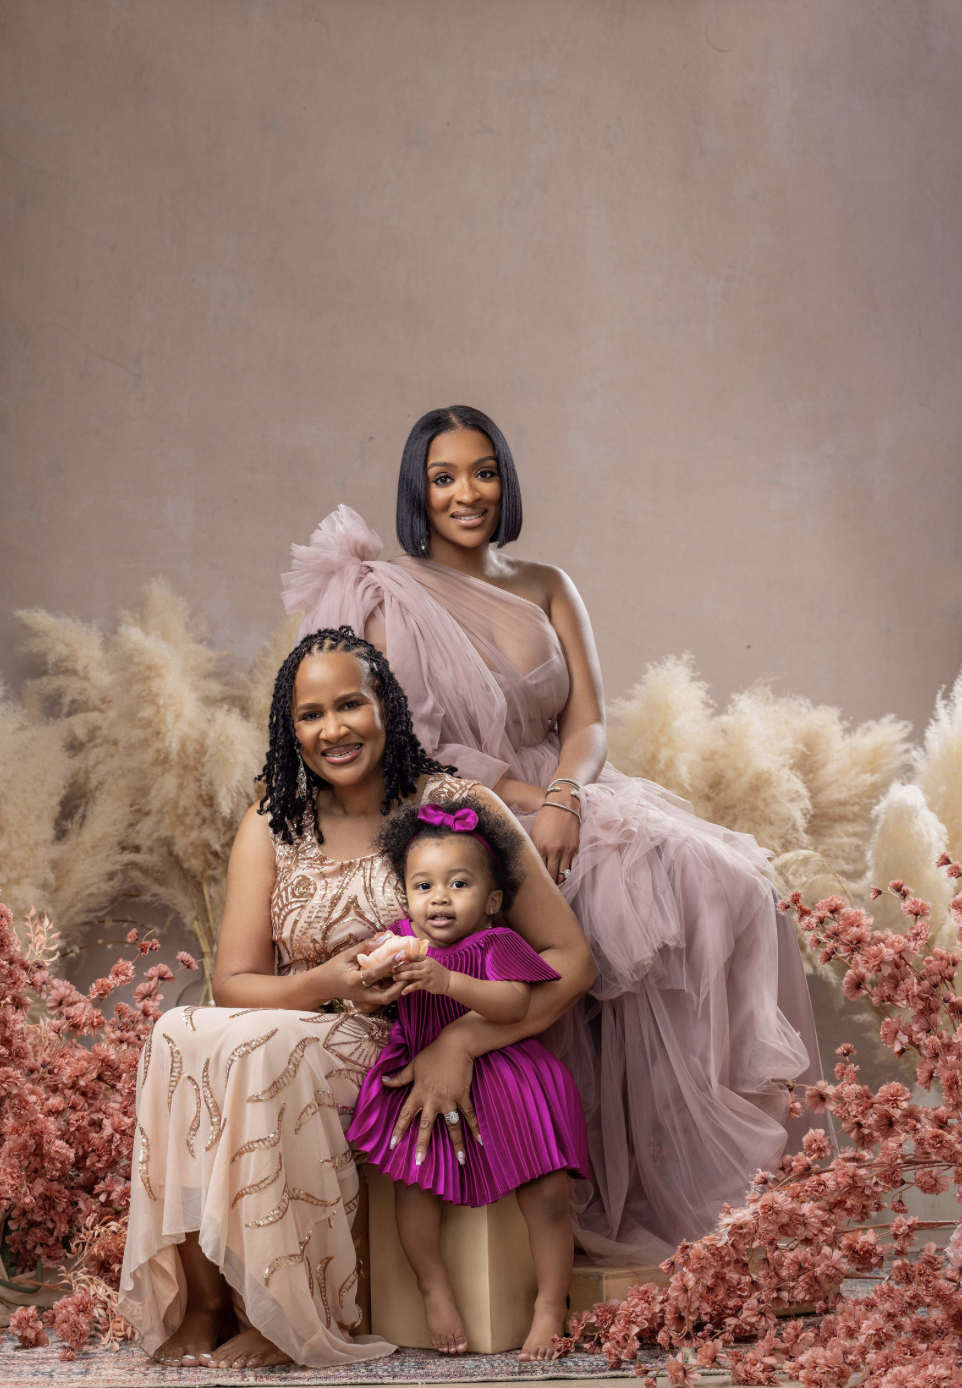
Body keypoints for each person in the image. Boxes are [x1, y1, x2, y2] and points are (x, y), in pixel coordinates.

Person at [282, 406, 824, 1267]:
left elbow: (590, 720)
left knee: (727, 885)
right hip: (467, 799)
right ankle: (601, 1187)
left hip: (573, 787)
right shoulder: (392, 597)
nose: (469, 492)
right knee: (616, 908)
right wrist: (526, 809)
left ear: (507, 480)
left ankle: (705, 1173)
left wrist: (569, 795)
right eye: (446, 476)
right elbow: (411, 743)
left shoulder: (546, 582)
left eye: (485, 471)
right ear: (419, 490)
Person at [117, 626, 595, 1369]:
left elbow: (572, 961)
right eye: (311, 715)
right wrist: (325, 983)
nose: (333, 729)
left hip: (399, 1037)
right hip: (305, 1015)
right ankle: (208, 1304)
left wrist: (461, 1040)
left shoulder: (456, 809)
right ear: (292, 728)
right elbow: (234, 982)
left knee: (258, 1047)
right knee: (178, 1030)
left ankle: (291, 1314)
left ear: (387, 709)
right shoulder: (275, 821)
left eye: (351, 705)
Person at [349, 799, 590, 1360]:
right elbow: (363, 984)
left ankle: (551, 1304)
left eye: (459, 884)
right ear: (406, 896)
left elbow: (512, 1005)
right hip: (419, 1070)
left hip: (507, 1071)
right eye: (423, 885)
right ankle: (434, 1289)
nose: (439, 897)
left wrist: (446, 980)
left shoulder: (497, 943)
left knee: (549, 1192)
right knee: (411, 1182)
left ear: (493, 900)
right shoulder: (400, 938)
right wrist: (370, 977)